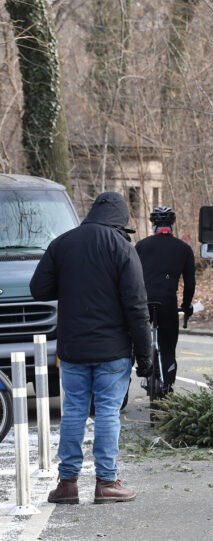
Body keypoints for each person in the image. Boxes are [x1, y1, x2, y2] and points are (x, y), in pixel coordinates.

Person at [30, 192, 151, 504]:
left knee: (73, 411)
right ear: (121, 220)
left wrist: (71, 284)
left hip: (72, 349)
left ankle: (67, 484)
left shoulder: (62, 243)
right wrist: (146, 355)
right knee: (108, 412)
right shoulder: (122, 248)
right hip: (113, 350)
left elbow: (38, 288)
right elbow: (137, 306)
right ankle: (107, 482)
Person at [134, 206, 196, 396]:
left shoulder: (141, 246)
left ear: (153, 225)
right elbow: (190, 284)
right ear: (172, 225)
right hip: (168, 302)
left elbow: (131, 277)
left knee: (135, 339)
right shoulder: (184, 249)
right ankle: (167, 386)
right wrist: (186, 306)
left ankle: (140, 365)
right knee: (168, 346)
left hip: (142, 301)